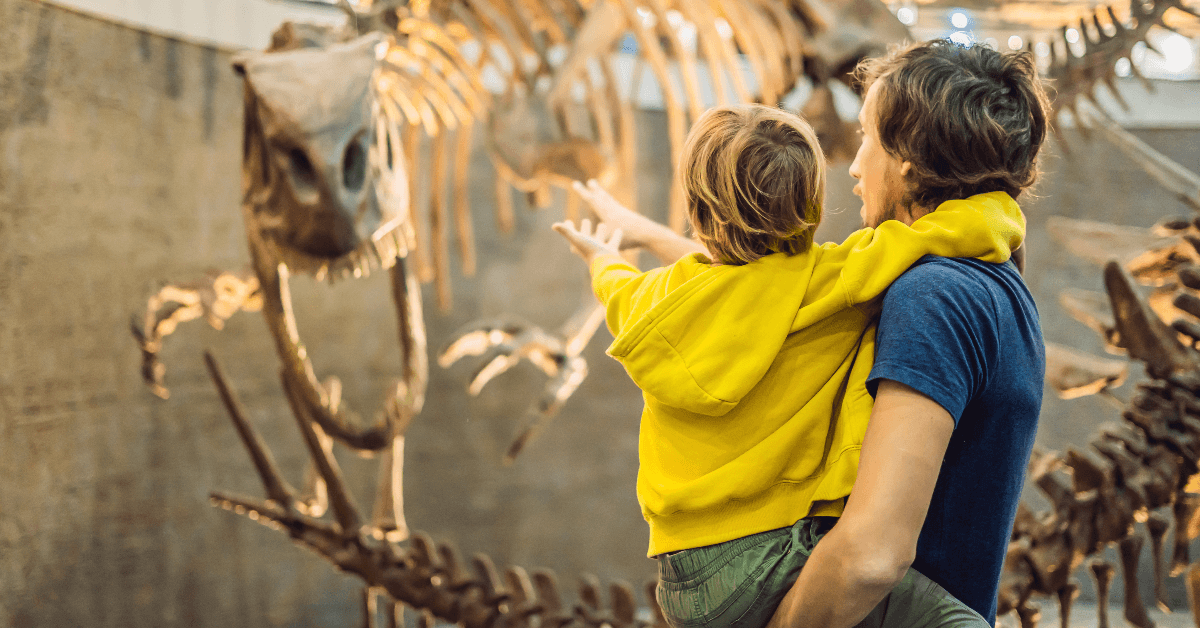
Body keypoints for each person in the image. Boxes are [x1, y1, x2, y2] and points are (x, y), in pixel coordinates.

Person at [568, 40, 1049, 627]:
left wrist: (613, 256)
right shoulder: (983, 283)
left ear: (909, 162)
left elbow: (871, 558)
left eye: (867, 135)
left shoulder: (935, 296)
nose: (851, 163)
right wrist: (1002, 217)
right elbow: (772, 291)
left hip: (685, 568)